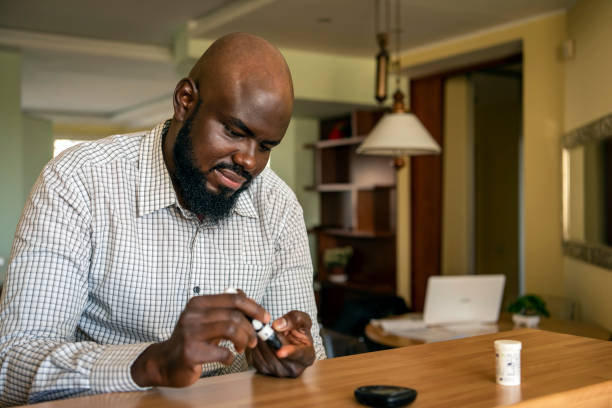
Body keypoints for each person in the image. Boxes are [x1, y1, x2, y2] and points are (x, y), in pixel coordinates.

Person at [0, 33, 325, 405]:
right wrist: (151, 364)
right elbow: (11, 364)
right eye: (235, 132)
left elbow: (309, 354)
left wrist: (289, 356)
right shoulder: (79, 181)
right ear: (185, 100)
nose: (249, 162)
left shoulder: (279, 207)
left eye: (266, 146)